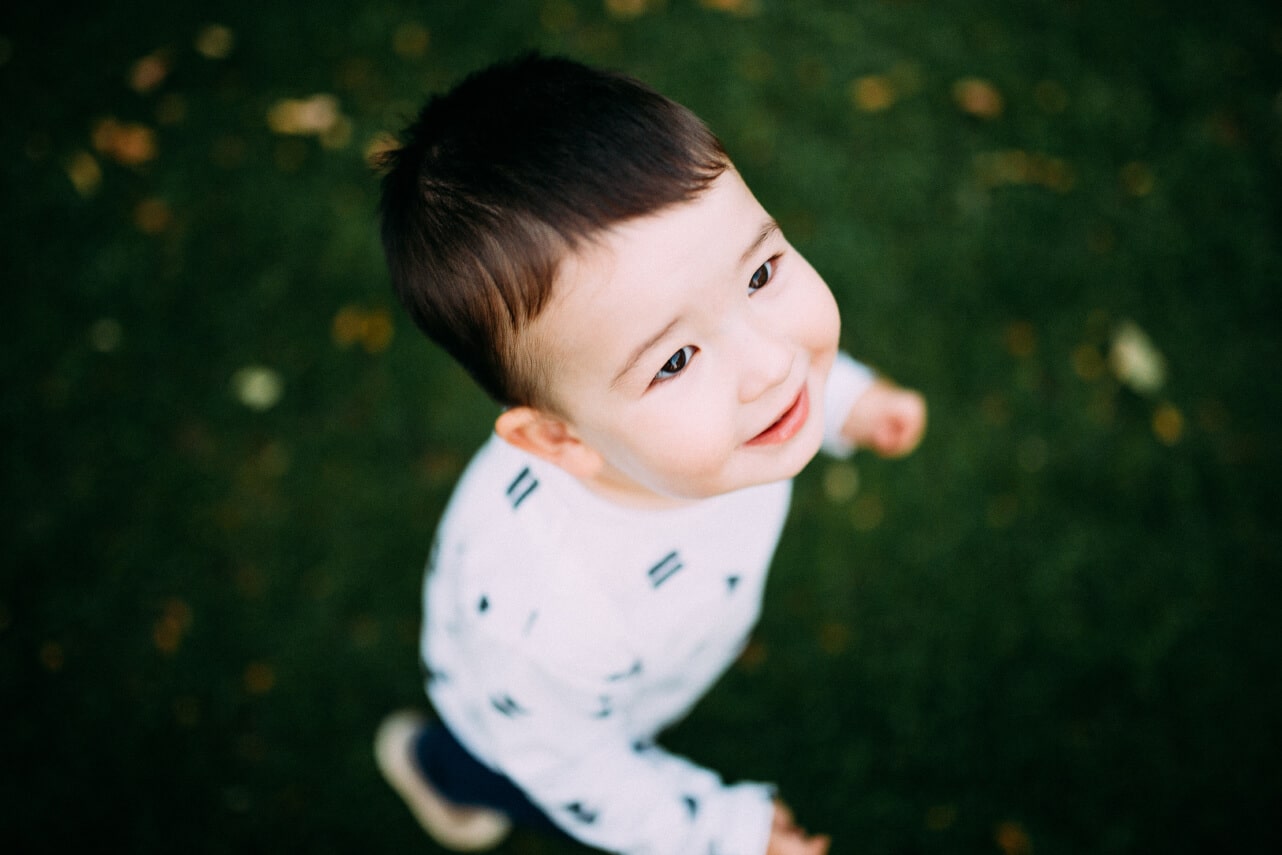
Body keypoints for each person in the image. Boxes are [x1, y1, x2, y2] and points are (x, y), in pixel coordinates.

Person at [372, 54, 926, 855]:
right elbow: (581, 770)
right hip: (521, 721)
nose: (773, 364)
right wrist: (720, 832)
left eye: (761, 271)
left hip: (657, 656)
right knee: (500, 771)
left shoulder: (733, 416)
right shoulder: (551, 624)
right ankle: (430, 767)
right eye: (674, 361)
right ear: (560, 439)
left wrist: (846, 400)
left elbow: (788, 362)